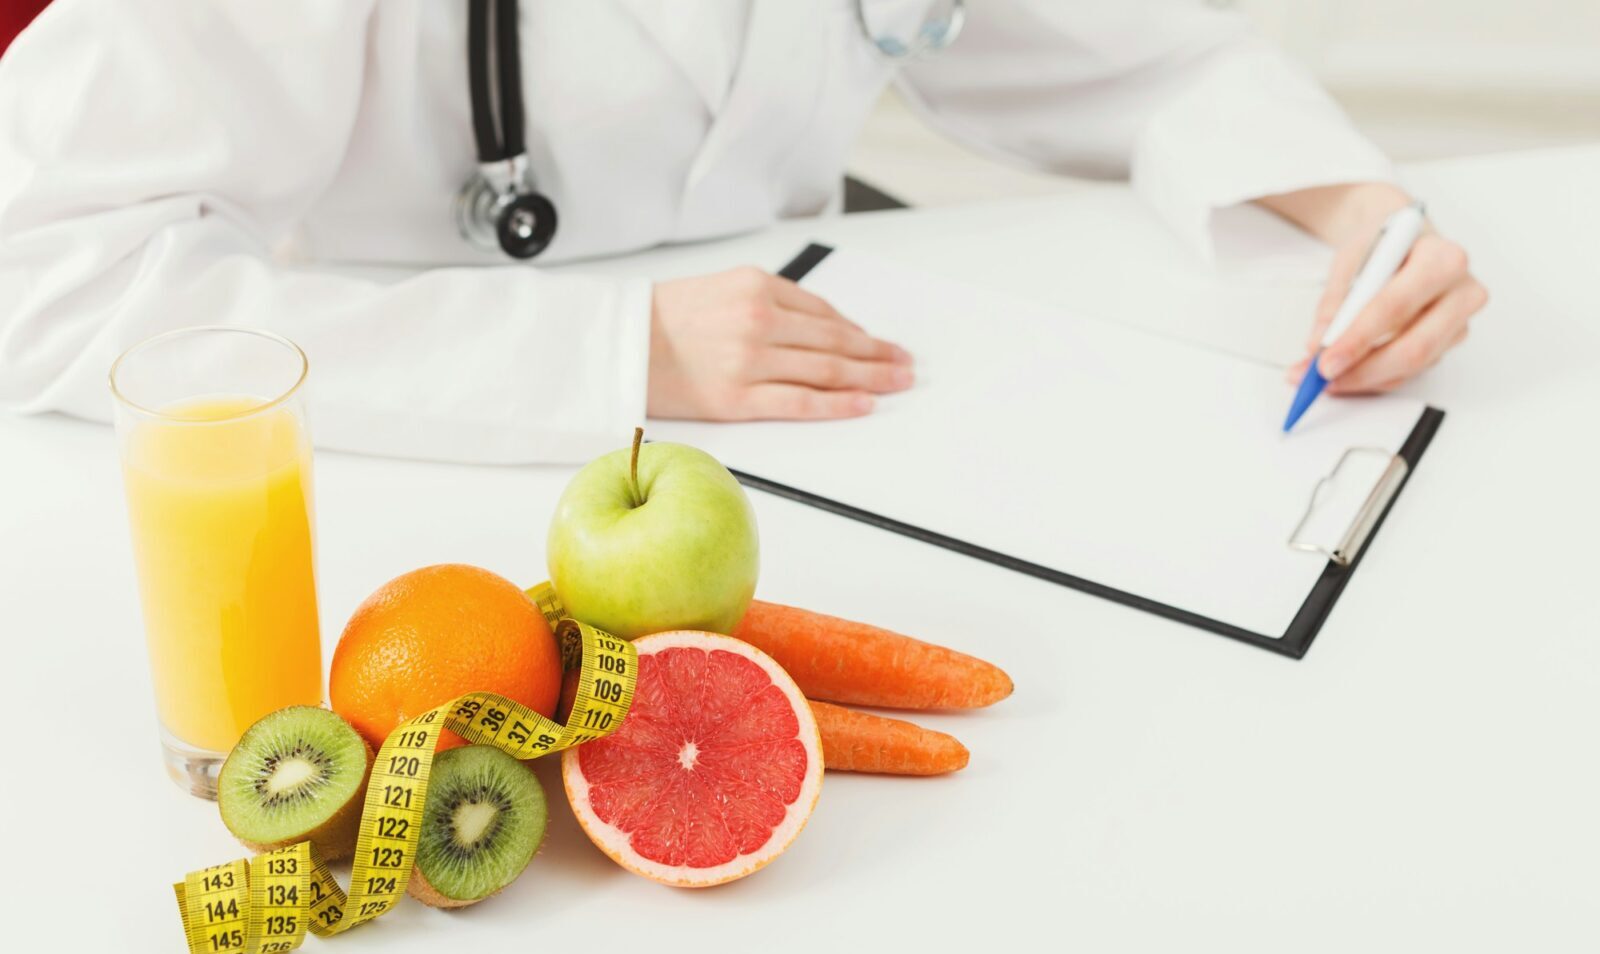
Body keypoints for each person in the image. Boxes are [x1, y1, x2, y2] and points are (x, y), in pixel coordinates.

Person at [0, 0, 1485, 462]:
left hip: (833, 417)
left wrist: (1352, 204)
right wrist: (608, 354)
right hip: (428, 444)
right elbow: (42, 275)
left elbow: (1148, 60)